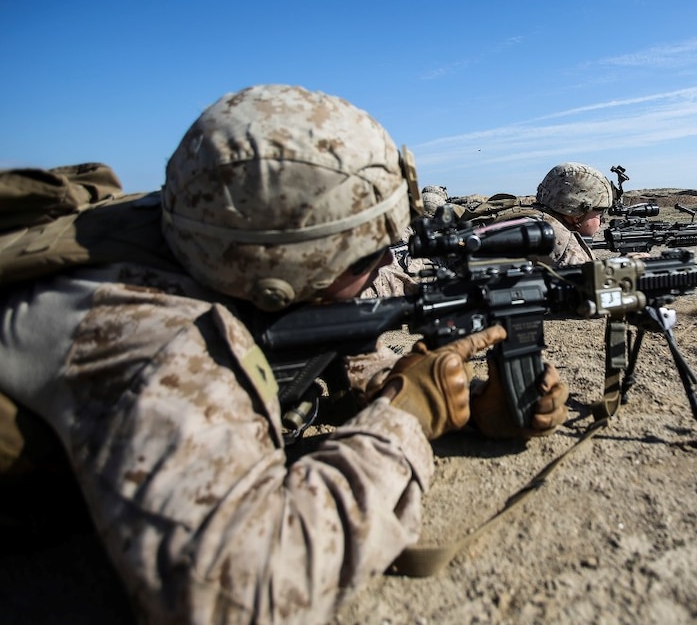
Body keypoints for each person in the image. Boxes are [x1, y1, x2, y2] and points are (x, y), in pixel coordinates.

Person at [0, 84, 567, 623]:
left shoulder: (212, 226)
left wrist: (457, 400)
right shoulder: (157, 333)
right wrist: (404, 426)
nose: (381, 273)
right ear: (282, 275)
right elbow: (236, 598)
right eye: (365, 259)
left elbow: (318, 350)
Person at [460, 162, 612, 267]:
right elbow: (593, 287)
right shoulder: (552, 232)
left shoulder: (530, 211)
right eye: (599, 213)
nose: (602, 220)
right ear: (576, 213)